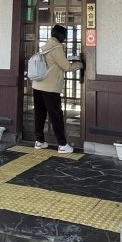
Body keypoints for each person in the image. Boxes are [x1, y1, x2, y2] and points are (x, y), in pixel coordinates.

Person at [31, 24, 83, 153]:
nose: (65, 39)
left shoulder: (44, 46)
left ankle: (39, 141)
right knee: (56, 115)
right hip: (50, 88)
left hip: (37, 85)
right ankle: (62, 144)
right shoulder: (56, 47)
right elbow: (66, 67)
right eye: (65, 36)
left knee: (40, 114)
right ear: (60, 35)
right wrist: (80, 64)